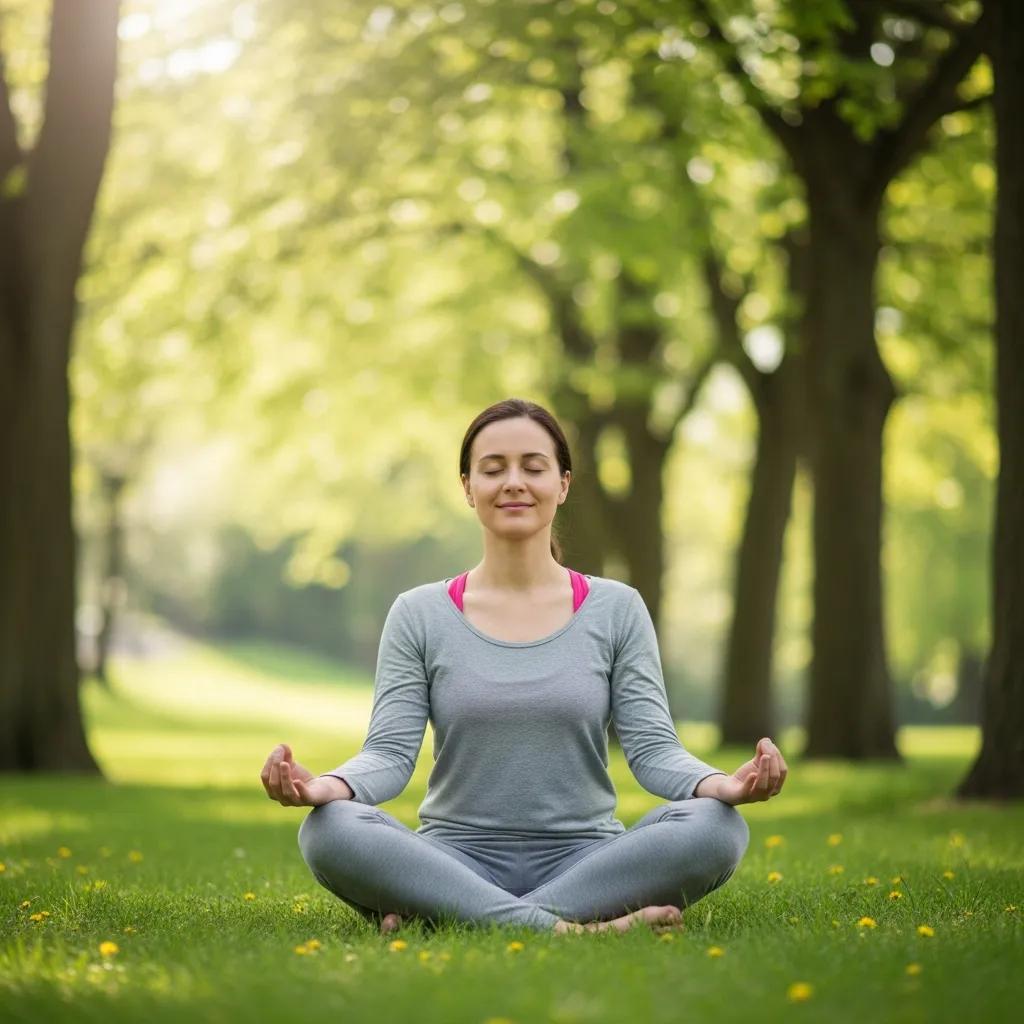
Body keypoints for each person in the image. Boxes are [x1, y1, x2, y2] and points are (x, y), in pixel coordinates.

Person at [261, 398, 788, 936]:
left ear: (562, 484)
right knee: (327, 830)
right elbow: (389, 755)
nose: (514, 482)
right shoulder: (418, 613)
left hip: (587, 862)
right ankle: (576, 927)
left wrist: (718, 785)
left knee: (718, 829)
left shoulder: (617, 608)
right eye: (493, 469)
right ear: (467, 487)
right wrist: (327, 787)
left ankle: (451, 915)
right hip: (455, 859)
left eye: (533, 468)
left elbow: (652, 749)